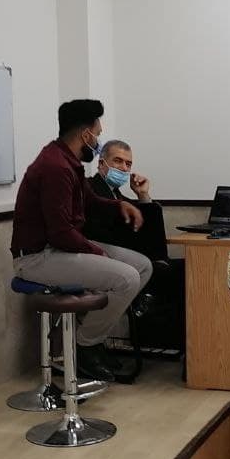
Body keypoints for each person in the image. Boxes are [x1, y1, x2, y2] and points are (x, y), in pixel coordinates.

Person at [10, 99, 151, 382]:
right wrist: (97, 252)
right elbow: (60, 233)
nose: (98, 141)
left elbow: (89, 200)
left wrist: (119, 205)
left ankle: (90, 339)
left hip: (58, 250)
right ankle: (85, 345)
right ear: (85, 134)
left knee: (143, 266)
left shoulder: (68, 162)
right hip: (37, 257)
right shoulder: (55, 167)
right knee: (126, 278)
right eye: (97, 134)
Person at [84, 140, 186, 353]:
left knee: (185, 269)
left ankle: (176, 340)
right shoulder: (91, 190)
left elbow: (145, 230)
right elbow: (102, 233)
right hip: (103, 260)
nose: (124, 168)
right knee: (172, 272)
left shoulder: (118, 195)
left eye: (128, 164)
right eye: (118, 161)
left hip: (131, 259)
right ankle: (157, 331)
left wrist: (142, 195)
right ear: (101, 163)